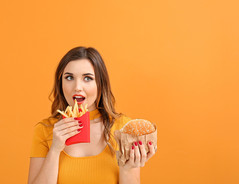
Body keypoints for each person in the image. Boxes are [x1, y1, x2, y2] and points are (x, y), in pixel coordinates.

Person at [28, 46, 156, 184]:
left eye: (87, 78)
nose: (77, 86)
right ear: (60, 84)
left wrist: (127, 169)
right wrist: (55, 149)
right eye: (69, 77)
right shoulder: (45, 130)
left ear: (100, 84)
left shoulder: (123, 128)